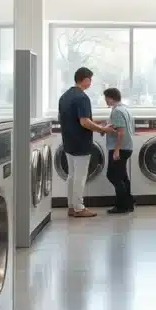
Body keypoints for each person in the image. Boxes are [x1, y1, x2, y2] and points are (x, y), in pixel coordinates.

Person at [58, 67, 110, 218]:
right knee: (80, 176)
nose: (91, 83)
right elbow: (84, 122)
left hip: (68, 141)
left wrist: (99, 123)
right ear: (85, 79)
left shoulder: (65, 96)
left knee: (72, 175)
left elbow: (76, 118)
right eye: (90, 80)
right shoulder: (82, 97)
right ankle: (79, 208)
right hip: (81, 142)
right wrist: (102, 129)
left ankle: (71, 207)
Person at [103, 87, 135, 214]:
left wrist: (116, 150)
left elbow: (121, 133)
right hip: (127, 147)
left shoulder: (116, 111)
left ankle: (122, 205)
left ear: (110, 98)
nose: (105, 100)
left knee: (112, 175)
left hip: (120, 148)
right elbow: (119, 128)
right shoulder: (125, 109)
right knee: (122, 176)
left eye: (105, 98)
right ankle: (129, 203)